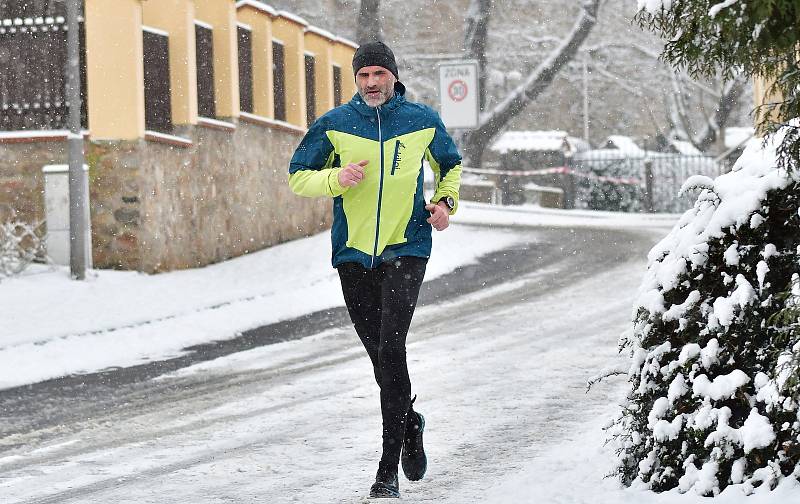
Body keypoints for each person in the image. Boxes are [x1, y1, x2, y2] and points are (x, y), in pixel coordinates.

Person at [288, 41, 462, 499]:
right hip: (352, 253)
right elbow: (297, 175)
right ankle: (410, 423)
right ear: (356, 79)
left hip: (407, 247)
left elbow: (451, 165)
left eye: (378, 75)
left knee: (391, 348)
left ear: (393, 76)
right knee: (379, 357)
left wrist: (445, 203)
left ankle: (387, 472)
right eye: (363, 76)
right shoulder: (335, 125)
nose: (370, 83)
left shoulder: (421, 120)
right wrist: (335, 179)